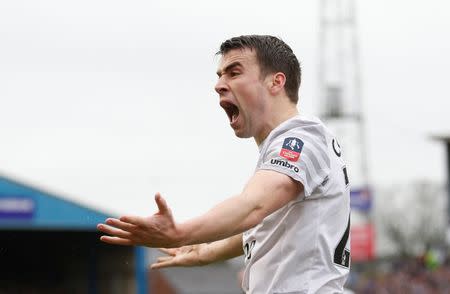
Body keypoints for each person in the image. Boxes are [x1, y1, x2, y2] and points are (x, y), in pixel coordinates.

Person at [97, 35, 351, 293]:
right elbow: (262, 224)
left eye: (234, 73)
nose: (219, 85)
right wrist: (207, 251)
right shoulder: (291, 148)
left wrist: (180, 232)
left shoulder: (300, 139)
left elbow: (253, 206)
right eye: (220, 75)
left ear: (276, 82)